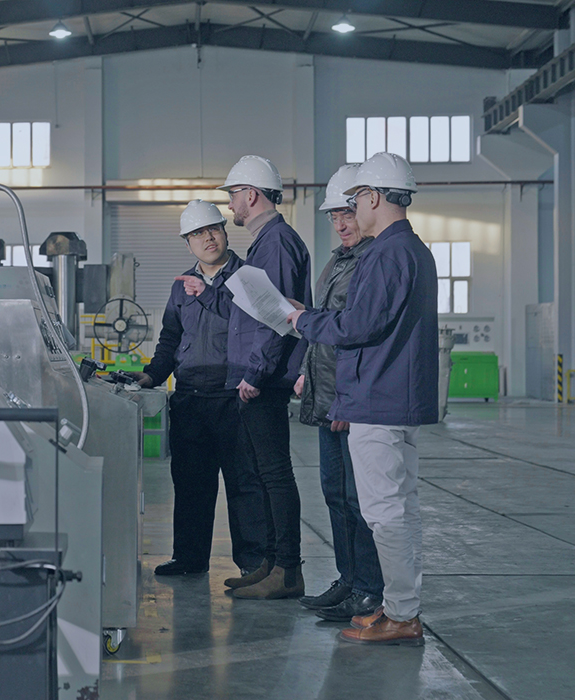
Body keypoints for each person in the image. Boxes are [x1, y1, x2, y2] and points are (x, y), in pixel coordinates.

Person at [288, 152, 438, 646]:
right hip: (395, 397)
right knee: (400, 509)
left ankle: (402, 615)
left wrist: (302, 320)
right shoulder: (411, 250)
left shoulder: (386, 254)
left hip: (378, 399)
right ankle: (400, 608)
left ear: (373, 197)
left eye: (356, 200)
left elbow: (358, 326)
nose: (351, 210)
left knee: (384, 512)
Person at [177, 156, 312, 599]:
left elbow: (277, 317)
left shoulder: (275, 244)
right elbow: (250, 311)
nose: (231, 205)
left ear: (251, 195)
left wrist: (255, 372)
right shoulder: (266, 243)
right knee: (265, 477)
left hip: (263, 382)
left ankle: (286, 571)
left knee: (273, 477)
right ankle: (270, 565)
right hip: (257, 379)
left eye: (234, 195)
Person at [130, 200, 268, 577]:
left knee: (244, 485)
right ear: (187, 243)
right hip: (190, 398)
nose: (207, 238)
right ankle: (189, 559)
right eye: (197, 234)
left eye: (213, 229)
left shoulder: (248, 278)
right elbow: (170, 338)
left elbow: (257, 327)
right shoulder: (181, 287)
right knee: (191, 485)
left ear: (224, 232)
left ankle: (253, 565)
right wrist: (152, 375)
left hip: (234, 398)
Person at [295, 164, 384, 622]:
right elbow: (323, 326)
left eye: (347, 213)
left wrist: (348, 397)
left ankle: (368, 589)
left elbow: (360, 336)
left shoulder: (372, 262)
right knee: (334, 493)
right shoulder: (338, 260)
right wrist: (306, 372)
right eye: (334, 216)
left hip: (349, 399)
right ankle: (348, 580)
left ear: (366, 208)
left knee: (357, 498)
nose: (341, 223)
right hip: (327, 394)